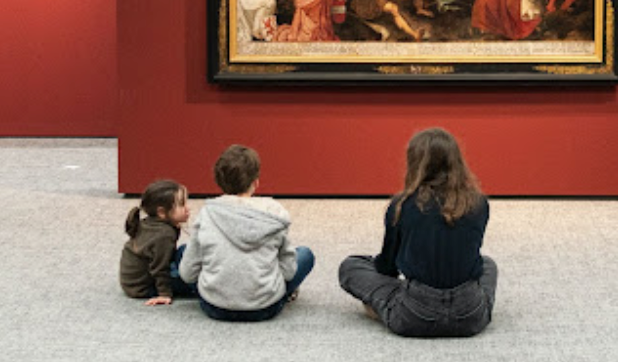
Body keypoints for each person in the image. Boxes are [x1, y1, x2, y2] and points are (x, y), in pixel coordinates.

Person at [338, 127, 497, 338]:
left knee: (351, 266)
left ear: (414, 162)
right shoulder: (479, 203)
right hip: (470, 316)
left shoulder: (402, 205)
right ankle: (475, 308)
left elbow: (387, 267)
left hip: (415, 315)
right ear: (457, 162)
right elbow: (469, 258)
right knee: (488, 264)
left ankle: (387, 308)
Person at [179, 145, 315, 322]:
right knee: (305, 254)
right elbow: (289, 271)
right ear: (255, 182)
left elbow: (188, 273)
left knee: (185, 251)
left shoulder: (206, 214)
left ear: (218, 181)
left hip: (215, 306)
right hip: (265, 307)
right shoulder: (274, 214)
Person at [119, 179, 196, 306]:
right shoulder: (164, 235)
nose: (188, 209)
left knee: (185, 254)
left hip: (133, 283)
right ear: (161, 212)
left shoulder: (149, 223)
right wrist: (164, 294)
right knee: (193, 271)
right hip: (144, 287)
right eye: (182, 205)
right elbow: (160, 267)